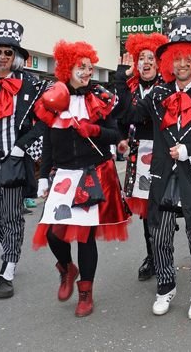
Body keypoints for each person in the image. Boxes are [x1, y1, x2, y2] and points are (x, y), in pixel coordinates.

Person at [120, 16, 191, 319]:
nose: (181, 63)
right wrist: (122, 75)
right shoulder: (158, 94)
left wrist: (189, 150)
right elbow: (127, 114)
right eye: (176, 57)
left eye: (187, 58)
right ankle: (165, 286)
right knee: (161, 234)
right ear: (168, 60)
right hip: (165, 175)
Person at [32, 40, 130, 317]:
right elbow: (49, 141)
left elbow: (116, 134)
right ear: (67, 67)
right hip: (63, 174)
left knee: (86, 238)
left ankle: (85, 291)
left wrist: (95, 131)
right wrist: (43, 176)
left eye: (89, 66)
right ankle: (66, 268)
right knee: (53, 234)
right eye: (81, 66)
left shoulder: (100, 96)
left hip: (92, 172)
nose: (87, 72)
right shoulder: (54, 98)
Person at [0, 19, 47, 298]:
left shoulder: (30, 85)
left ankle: (8, 269)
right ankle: (6, 246)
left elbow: (44, 121)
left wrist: (24, 147)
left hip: (13, 158)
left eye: (8, 52)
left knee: (11, 217)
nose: (3, 57)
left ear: (16, 56)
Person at [114, 32, 168, 281]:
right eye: (141, 58)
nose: (146, 62)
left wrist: (120, 84)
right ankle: (153, 256)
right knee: (147, 213)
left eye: (151, 58)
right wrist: (122, 138)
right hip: (139, 156)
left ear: (159, 63)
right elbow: (122, 118)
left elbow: (138, 115)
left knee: (162, 211)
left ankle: (163, 255)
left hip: (163, 155)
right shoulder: (132, 89)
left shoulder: (165, 88)